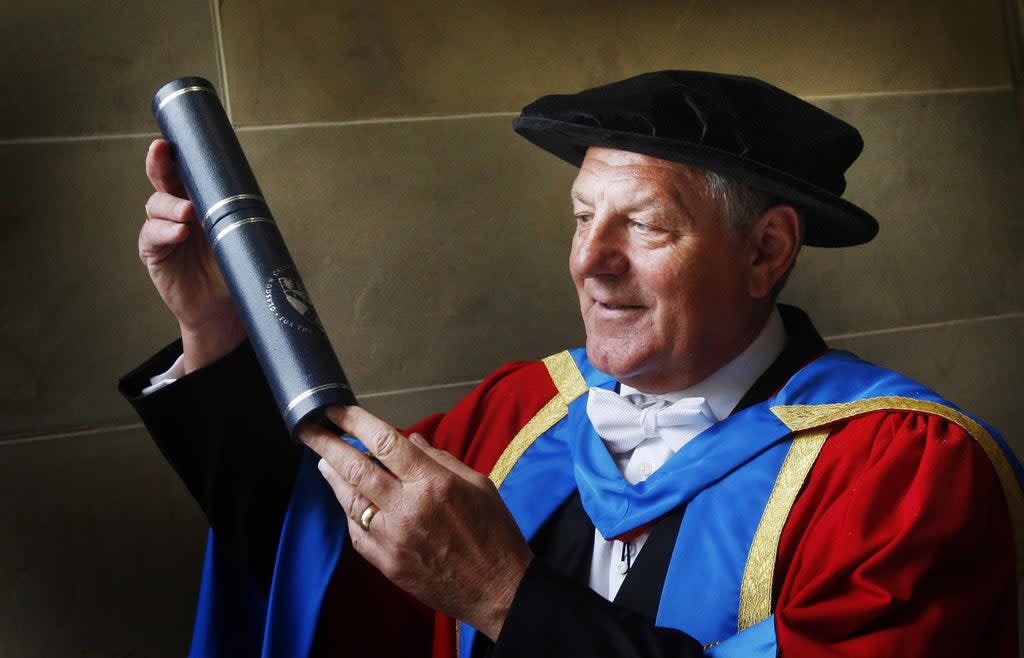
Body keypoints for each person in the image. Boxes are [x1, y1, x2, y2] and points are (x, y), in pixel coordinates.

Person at [120, 71, 1023, 658]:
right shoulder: (526, 410)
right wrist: (216, 330)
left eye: (644, 224)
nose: (590, 261)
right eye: (582, 217)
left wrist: (507, 598)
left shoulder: (906, 470)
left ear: (766, 252)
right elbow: (317, 559)